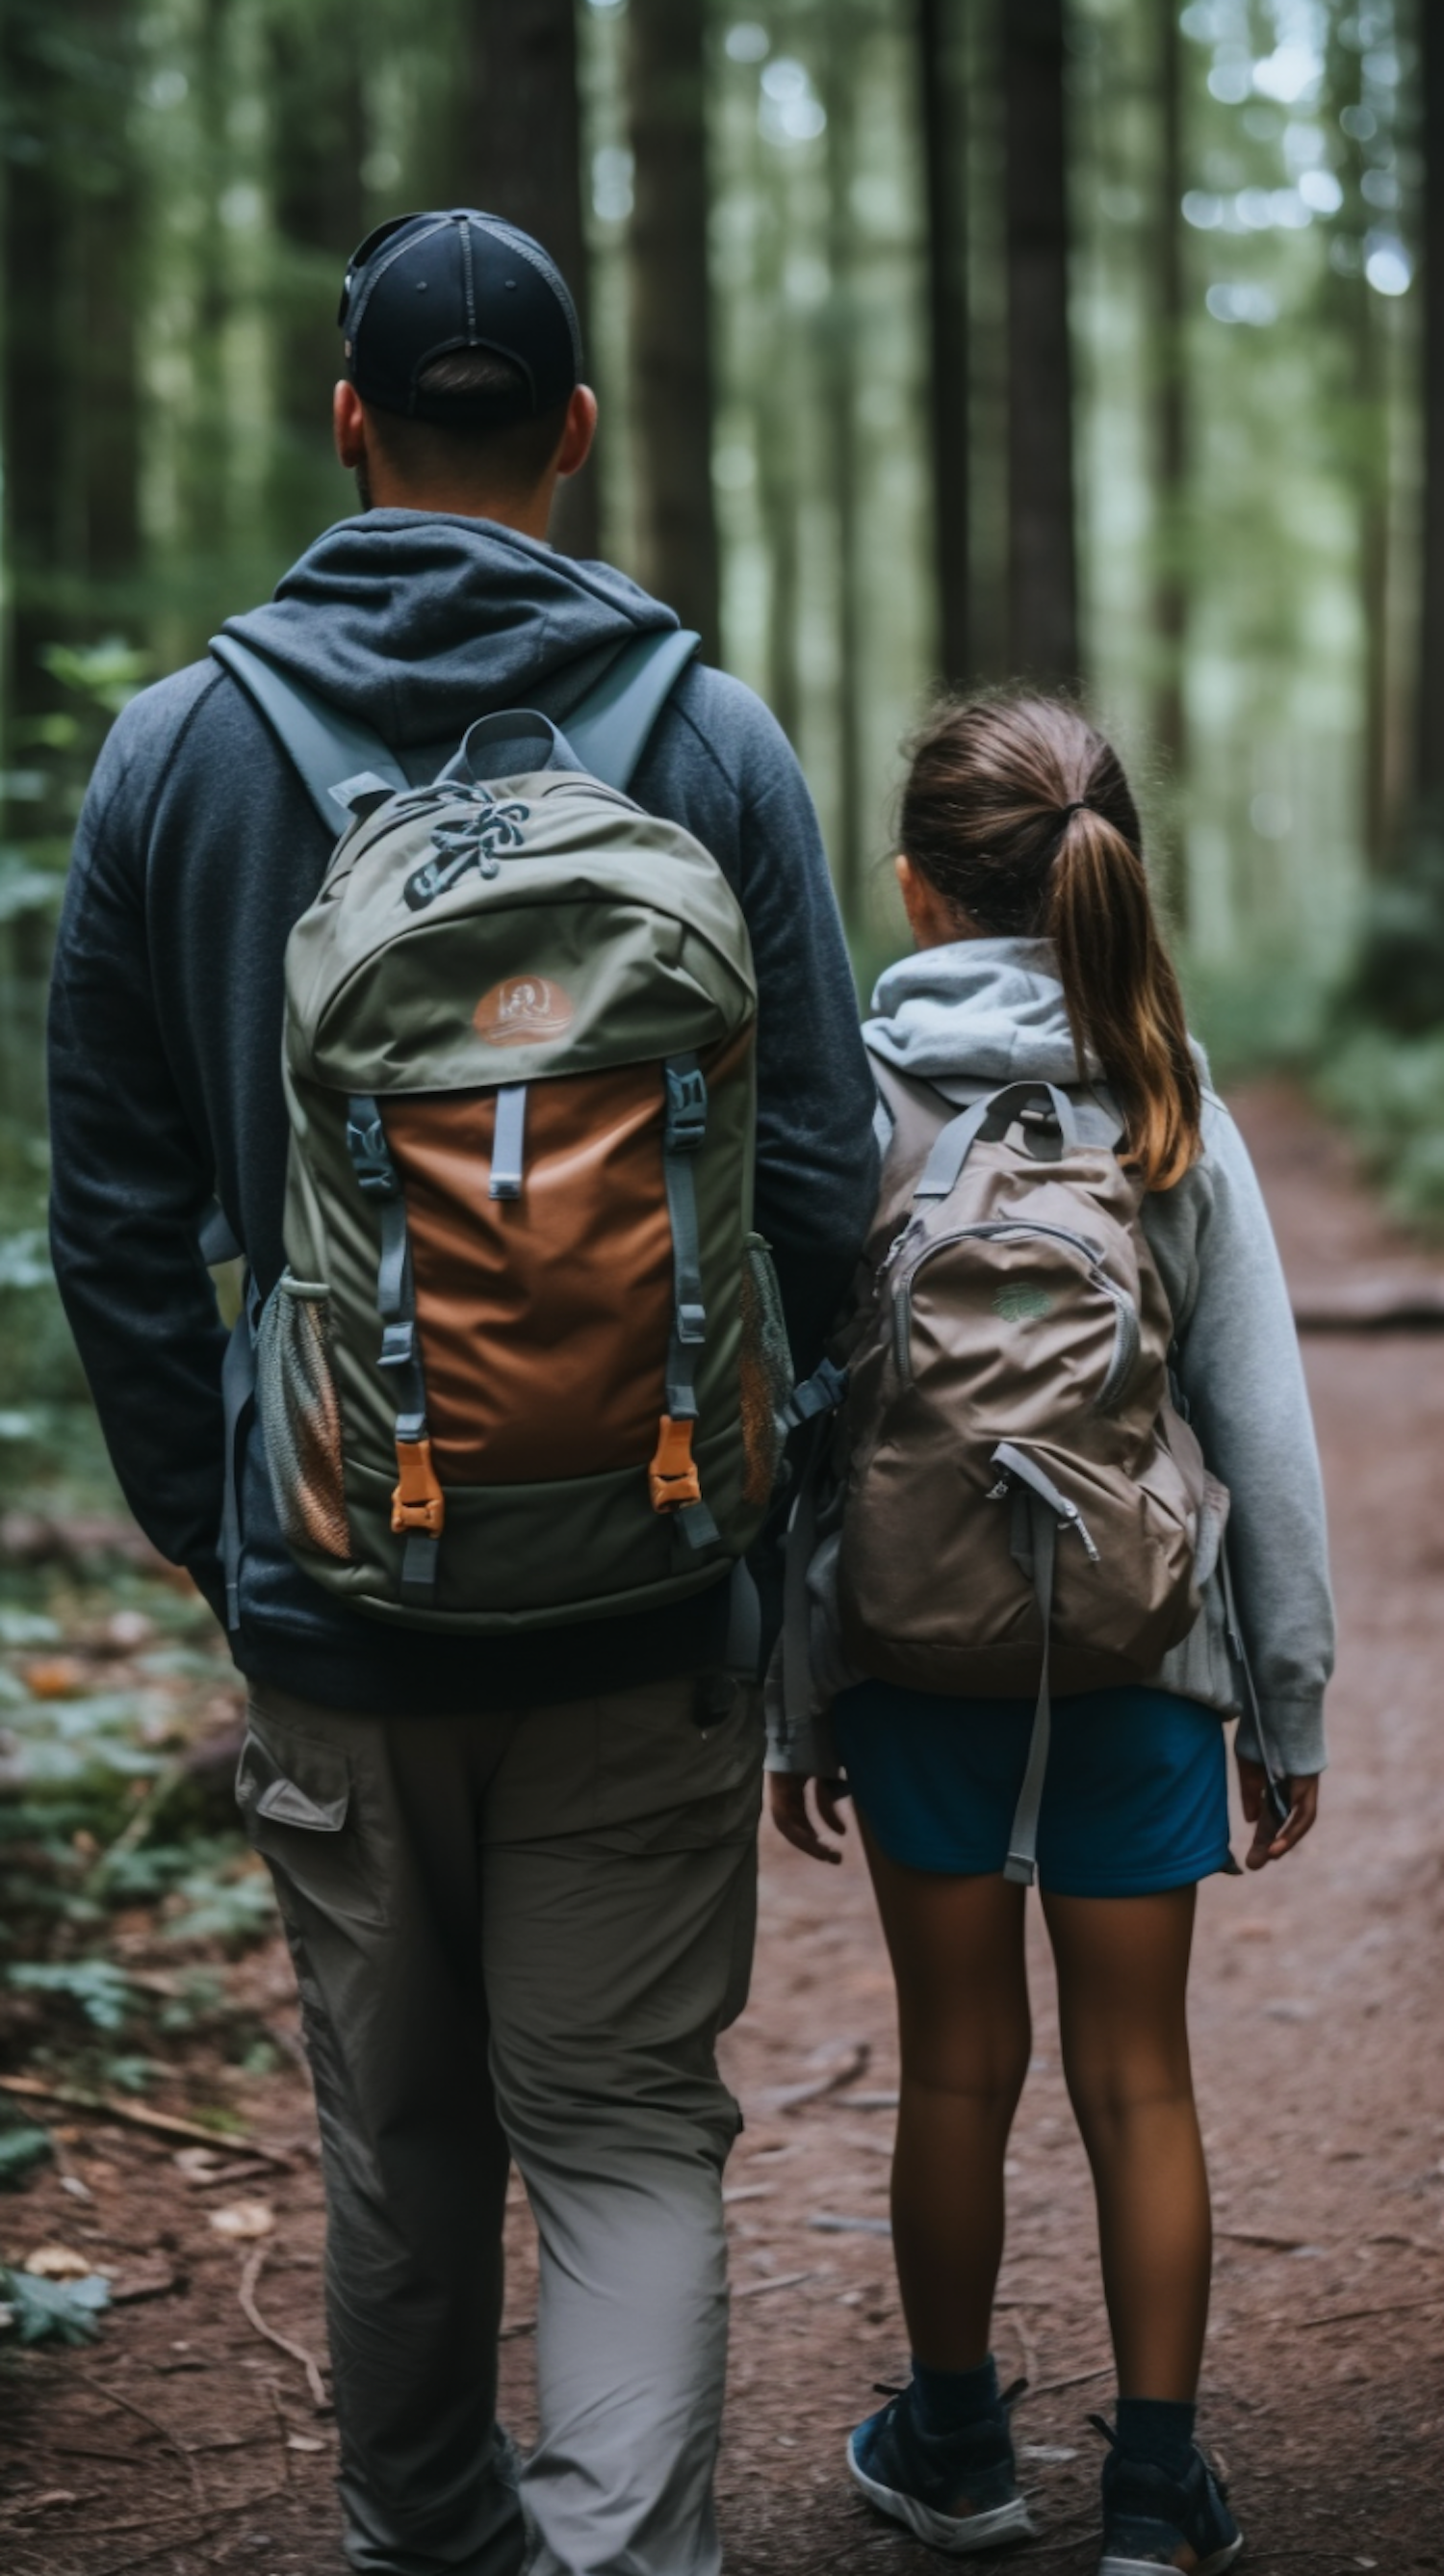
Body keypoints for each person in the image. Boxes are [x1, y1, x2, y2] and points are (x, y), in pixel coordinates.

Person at [48, 208, 877, 2576]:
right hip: (647, 1577)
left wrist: (235, 1529)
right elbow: (819, 1169)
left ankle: (427, 2542)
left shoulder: (179, 755)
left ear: (347, 423)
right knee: (623, 2125)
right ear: (579, 434)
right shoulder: (711, 737)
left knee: (399, 2135)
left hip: (331, 1579)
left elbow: (115, 1219)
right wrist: (739, 1473)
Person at [768, 694, 1333, 2573]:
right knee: (1138, 2070)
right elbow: (1263, 1433)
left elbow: (801, 1421)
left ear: (915, 883)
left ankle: (951, 2442)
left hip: (917, 1652)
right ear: (1116, 873)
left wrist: (798, 1697)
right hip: (1140, 1655)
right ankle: (1158, 2486)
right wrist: (1288, 1698)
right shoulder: (1166, 1096)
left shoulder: (845, 1101)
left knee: (954, 2061)